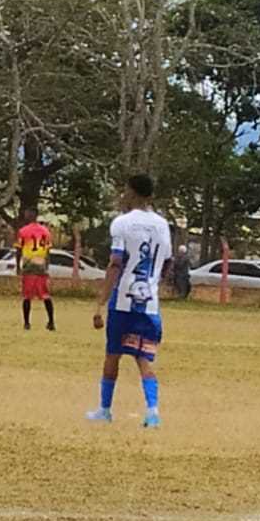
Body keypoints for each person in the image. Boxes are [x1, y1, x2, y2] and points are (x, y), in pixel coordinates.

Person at [88, 173, 171, 427]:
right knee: (143, 357)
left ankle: (104, 409)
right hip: (149, 303)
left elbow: (116, 263)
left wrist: (100, 303)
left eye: (125, 191)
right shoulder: (162, 224)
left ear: (132, 193)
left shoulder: (122, 223)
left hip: (123, 301)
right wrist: (155, 283)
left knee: (113, 354)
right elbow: (168, 260)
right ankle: (153, 411)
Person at [15, 207, 55, 331]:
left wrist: (18, 265)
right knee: (45, 294)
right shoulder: (45, 231)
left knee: (27, 295)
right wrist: (47, 266)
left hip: (29, 266)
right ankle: (51, 321)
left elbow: (19, 249)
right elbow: (48, 251)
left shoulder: (23, 231)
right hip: (41, 265)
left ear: (30, 215)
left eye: (27, 213)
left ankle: (27, 323)